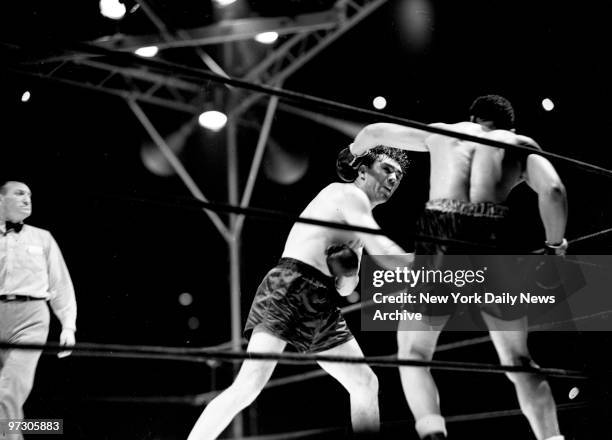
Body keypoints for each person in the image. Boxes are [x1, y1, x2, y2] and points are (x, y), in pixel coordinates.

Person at [349, 95, 567, 440]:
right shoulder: (519, 143)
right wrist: (555, 245)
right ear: (509, 124)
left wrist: (351, 152)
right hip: (490, 238)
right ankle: (552, 438)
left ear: (473, 117)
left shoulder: (443, 133)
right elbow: (554, 190)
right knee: (518, 360)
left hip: (440, 235)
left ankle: (434, 433)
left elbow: (374, 131)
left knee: (414, 353)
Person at [187, 147, 412, 440]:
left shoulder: (359, 221)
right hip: (291, 283)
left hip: (320, 299)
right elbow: (383, 250)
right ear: (362, 171)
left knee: (365, 383)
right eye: (387, 169)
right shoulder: (345, 195)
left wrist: (345, 270)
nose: (393, 177)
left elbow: (346, 289)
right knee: (249, 385)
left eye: (398, 175)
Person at [0, 181, 77, 435]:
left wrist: (68, 325)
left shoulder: (42, 238)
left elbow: (60, 283)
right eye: (19, 193)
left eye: (30, 195)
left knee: (10, 389)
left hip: (31, 318)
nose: (27, 199)